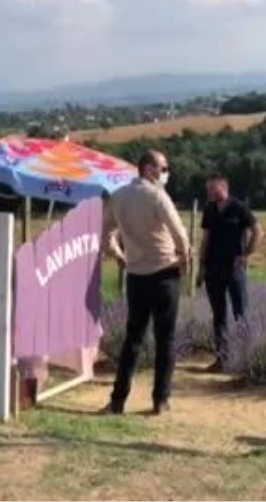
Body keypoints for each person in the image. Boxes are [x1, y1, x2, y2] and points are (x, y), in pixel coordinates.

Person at [101, 150, 191, 415]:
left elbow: (104, 233)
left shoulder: (117, 197)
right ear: (149, 169)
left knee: (133, 338)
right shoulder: (157, 196)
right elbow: (179, 233)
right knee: (166, 339)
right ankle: (160, 400)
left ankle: (118, 400)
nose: (165, 174)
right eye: (163, 168)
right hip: (164, 272)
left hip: (136, 275)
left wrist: (119, 255)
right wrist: (184, 259)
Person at [198, 173, 262, 372]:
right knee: (219, 316)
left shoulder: (239, 207)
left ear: (223, 187)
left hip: (234, 270)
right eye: (207, 189)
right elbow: (205, 238)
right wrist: (201, 265)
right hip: (213, 269)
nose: (208, 192)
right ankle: (222, 360)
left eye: (211, 188)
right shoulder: (209, 209)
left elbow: (258, 231)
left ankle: (246, 360)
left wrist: (246, 255)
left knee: (240, 313)